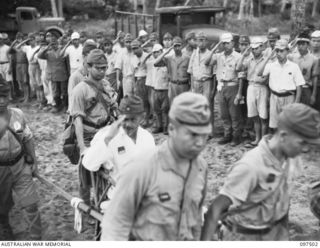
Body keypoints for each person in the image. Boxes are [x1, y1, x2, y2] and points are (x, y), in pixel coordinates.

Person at [201, 103, 320, 241]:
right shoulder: (251, 166)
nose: (305, 149)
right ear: (283, 136)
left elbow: (284, 201)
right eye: (302, 142)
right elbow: (215, 210)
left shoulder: (291, 159)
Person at [101, 92, 211, 241]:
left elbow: (195, 219)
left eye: (204, 135)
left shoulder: (200, 167)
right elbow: (114, 228)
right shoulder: (141, 169)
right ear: (172, 129)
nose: (199, 142)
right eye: (192, 134)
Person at [69, 49, 118, 207]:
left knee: (107, 171)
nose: (103, 71)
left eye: (105, 68)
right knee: (85, 174)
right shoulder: (80, 90)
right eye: (99, 68)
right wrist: (83, 147)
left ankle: (101, 202)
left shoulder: (105, 84)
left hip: (106, 134)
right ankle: (84, 205)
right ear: (88, 67)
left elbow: (112, 106)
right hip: (89, 136)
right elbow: (77, 120)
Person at [0, 79, 42, 240]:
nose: (2, 101)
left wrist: (34, 163)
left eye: (4, 96)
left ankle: (36, 238)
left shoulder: (17, 114)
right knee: (2, 208)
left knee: (31, 204)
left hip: (20, 166)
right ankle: (5, 229)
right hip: (1, 171)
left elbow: (28, 138)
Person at [82, 95, 155, 183]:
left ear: (142, 117)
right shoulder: (110, 136)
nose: (128, 124)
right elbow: (89, 164)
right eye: (125, 119)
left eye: (133, 120)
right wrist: (108, 138)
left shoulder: (147, 137)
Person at [258, 39, 305, 131]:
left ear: (287, 51)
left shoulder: (294, 66)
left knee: (288, 125)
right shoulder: (271, 65)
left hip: (289, 97)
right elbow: (259, 73)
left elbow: (299, 85)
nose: (279, 53)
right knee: (275, 125)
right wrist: (268, 58)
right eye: (277, 51)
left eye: (282, 51)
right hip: (274, 97)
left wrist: (296, 102)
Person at [205, 33, 243, 146]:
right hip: (221, 86)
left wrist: (239, 93)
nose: (226, 45)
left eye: (227, 43)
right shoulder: (219, 55)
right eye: (223, 43)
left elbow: (241, 76)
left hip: (233, 86)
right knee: (224, 114)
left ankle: (236, 136)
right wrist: (215, 48)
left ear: (232, 43)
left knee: (234, 114)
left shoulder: (238, 56)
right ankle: (227, 135)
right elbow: (206, 62)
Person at [237, 38, 269, 148]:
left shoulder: (267, 60)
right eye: (253, 49)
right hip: (251, 86)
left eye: (257, 48)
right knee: (254, 116)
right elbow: (238, 68)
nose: (254, 51)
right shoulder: (249, 59)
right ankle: (257, 138)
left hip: (262, 87)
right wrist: (243, 55)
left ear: (261, 48)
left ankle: (263, 141)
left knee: (263, 116)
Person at [187, 32, 214, 136]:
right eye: (199, 40)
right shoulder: (194, 53)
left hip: (206, 82)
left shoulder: (210, 53)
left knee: (207, 106)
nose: (201, 43)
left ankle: (209, 131)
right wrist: (192, 85)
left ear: (207, 41)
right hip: (196, 82)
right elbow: (191, 70)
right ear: (196, 41)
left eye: (203, 40)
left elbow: (214, 73)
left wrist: (212, 89)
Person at [154, 36, 190, 105]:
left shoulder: (187, 58)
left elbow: (191, 74)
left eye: (178, 46)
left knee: (184, 107)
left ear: (182, 46)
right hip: (173, 86)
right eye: (175, 46)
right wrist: (165, 52)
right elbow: (156, 63)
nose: (177, 48)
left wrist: (191, 88)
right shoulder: (169, 59)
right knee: (173, 107)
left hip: (184, 85)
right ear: (172, 47)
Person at [37, 36, 69, 113]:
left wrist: (68, 73)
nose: (53, 45)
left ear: (58, 44)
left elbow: (67, 63)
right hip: (53, 76)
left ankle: (65, 106)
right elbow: (39, 55)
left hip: (62, 75)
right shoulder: (48, 53)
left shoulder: (63, 51)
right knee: (55, 92)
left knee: (64, 92)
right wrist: (46, 48)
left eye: (55, 44)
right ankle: (57, 106)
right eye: (52, 44)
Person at [143, 44, 170, 134]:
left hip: (165, 90)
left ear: (162, 52)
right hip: (155, 90)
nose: (156, 54)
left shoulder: (167, 61)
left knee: (165, 110)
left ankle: (166, 127)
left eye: (158, 52)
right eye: (154, 52)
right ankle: (159, 126)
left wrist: (164, 53)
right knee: (156, 110)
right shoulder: (152, 63)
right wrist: (151, 53)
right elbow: (144, 61)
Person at [288, 33, 319, 106]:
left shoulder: (314, 59)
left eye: (303, 44)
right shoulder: (291, 57)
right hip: (293, 88)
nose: (300, 47)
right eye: (298, 44)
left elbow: (315, 78)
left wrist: (313, 95)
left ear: (308, 45)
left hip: (306, 88)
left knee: (305, 112)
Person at [67, 40, 97, 108]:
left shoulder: (98, 75)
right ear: (83, 56)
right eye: (90, 56)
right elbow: (72, 101)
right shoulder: (75, 77)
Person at [15, 33, 43, 106]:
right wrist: (25, 40)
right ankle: (38, 100)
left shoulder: (38, 47)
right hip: (30, 66)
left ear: (35, 40)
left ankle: (41, 101)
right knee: (33, 84)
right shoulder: (27, 47)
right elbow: (17, 47)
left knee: (39, 84)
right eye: (30, 40)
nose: (31, 41)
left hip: (37, 66)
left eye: (32, 40)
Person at [131, 39, 151, 127]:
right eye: (133, 49)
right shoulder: (133, 58)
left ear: (140, 47)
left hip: (148, 80)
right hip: (139, 80)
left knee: (149, 101)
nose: (135, 51)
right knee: (140, 101)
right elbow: (133, 73)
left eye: (136, 48)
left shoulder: (147, 55)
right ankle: (143, 120)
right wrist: (134, 85)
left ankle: (148, 119)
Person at [9, 32, 29, 102]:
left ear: (23, 39)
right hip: (18, 65)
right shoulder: (16, 47)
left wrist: (23, 42)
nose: (19, 39)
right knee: (20, 81)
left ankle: (27, 97)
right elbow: (10, 49)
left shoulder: (26, 47)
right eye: (18, 38)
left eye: (20, 38)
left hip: (24, 64)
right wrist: (15, 41)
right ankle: (24, 96)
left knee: (25, 81)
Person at [310, 30, 320, 111]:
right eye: (314, 41)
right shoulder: (307, 53)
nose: (316, 43)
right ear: (310, 41)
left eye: (318, 41)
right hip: (308, 86)